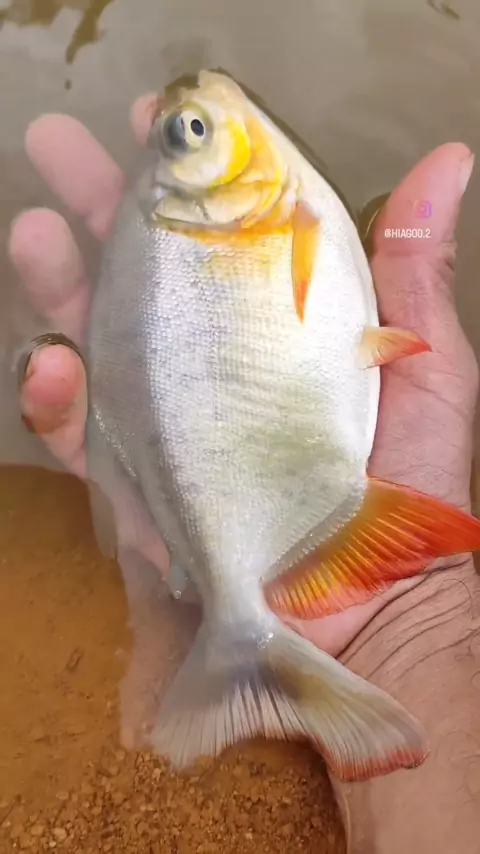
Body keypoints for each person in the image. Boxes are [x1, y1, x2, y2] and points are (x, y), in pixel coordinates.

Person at [9, 96, 480, 853]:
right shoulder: (259, 212)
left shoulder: (202, 219)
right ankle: (241, 633)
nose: (213, 114)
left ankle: (237, 636)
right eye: (196, 130)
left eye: (192, 127)